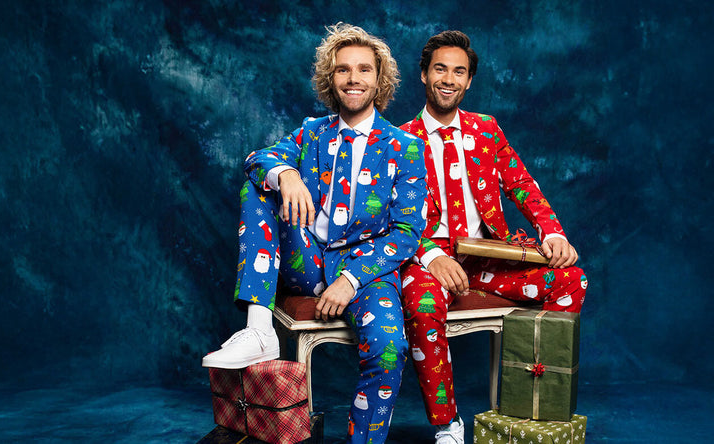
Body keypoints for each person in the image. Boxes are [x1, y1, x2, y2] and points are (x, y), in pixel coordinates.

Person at [201, 23, 427, 444]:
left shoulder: (405, 146)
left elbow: (409, 231)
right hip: (304, 257)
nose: (353, 78)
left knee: (389, 349)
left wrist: (351, 279)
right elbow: (256, 159)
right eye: (343, 70)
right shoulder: (311, 133)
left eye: (363, 69)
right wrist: (286, 174)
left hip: (366, 269)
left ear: (380, 79)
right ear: (330, 78)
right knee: (258, 184)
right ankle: (259, 330)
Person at [397, 30, 587, 444]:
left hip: (486, 258)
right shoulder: (396, 139)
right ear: (424, 75)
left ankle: (530, 398)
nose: (449, 79)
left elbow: (521, 183)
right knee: (424, 303)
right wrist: (429, 255)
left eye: (459, 72)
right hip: (426, 257)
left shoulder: (487, 129)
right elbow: (395, 219)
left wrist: (552, 232)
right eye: (440, 69)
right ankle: (447, 424)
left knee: (572, 280)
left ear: (469, 81)